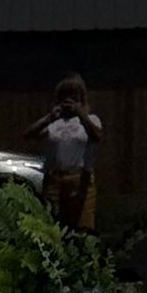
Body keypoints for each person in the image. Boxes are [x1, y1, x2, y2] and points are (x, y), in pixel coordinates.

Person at [22, 73, 103, 231]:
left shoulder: (91, 119)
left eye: (73, 96)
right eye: (65, 96)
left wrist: (81, 113)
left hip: (80, 179)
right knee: (53, 227)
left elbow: (97, 136)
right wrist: (49, 118)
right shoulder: (54, 122)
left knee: (82, 228)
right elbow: (28, 135)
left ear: (81, 98)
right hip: (54, 180)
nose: (69, 100)